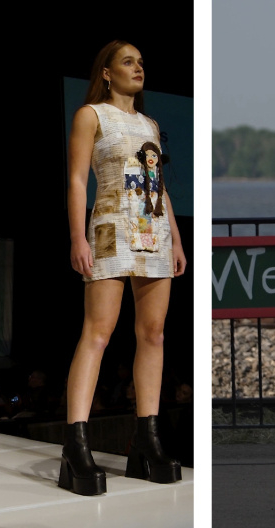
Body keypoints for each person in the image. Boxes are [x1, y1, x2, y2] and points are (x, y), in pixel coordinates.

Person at [60, 40, 186, 496]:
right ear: (108, 72)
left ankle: (147, 440)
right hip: (111, 227)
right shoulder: (91, 115)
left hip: (153, 233)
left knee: (153, 334)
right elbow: (77, 179)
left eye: (141, 62)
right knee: (98, 333)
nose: (139, 68)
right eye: (128, 62)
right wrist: (78, 237)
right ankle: (76, 443)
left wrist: (174, 236)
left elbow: (159, 184)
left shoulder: (149, 123)